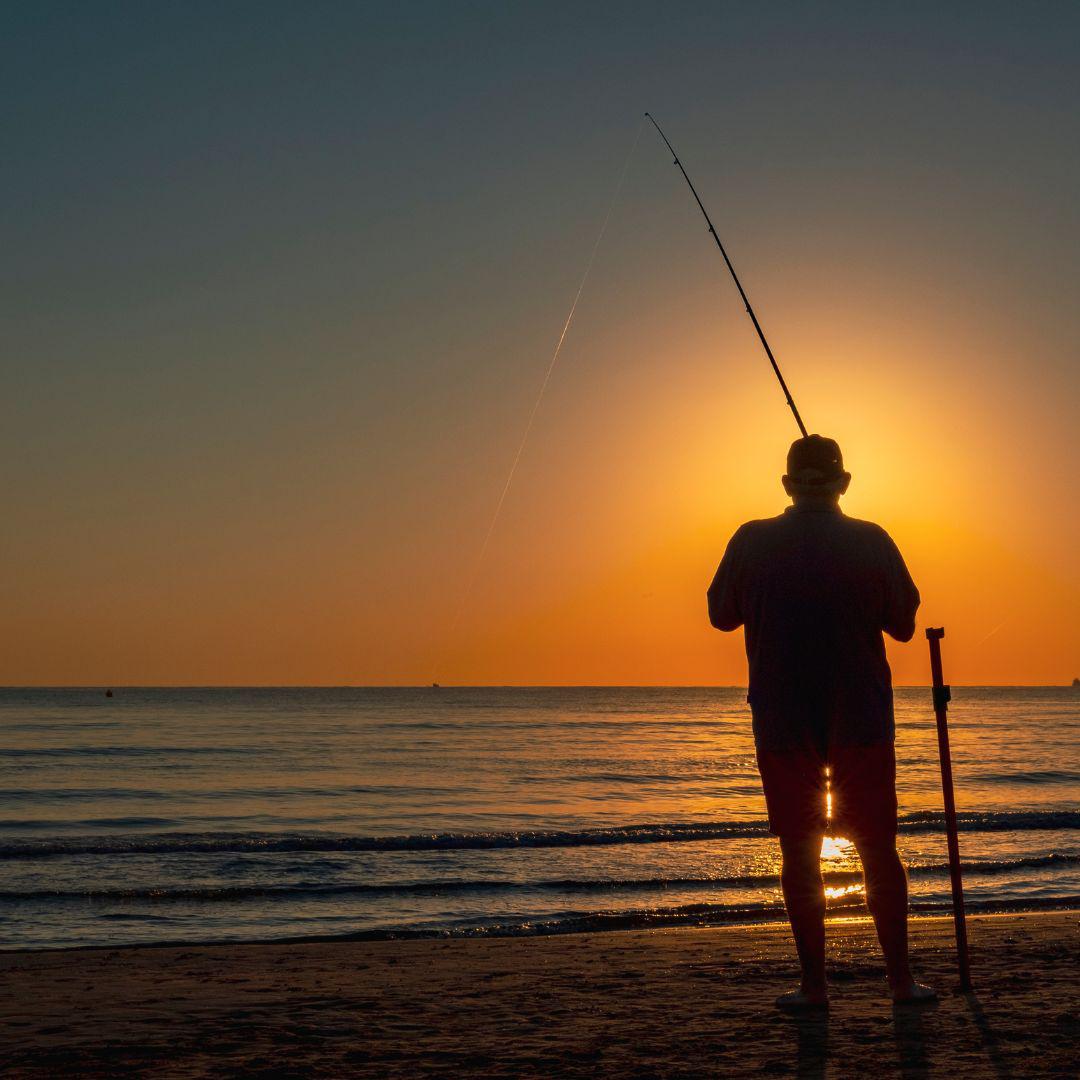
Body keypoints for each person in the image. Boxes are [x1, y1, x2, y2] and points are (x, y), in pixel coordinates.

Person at [707, 434, 935, 1009]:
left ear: (787, 485)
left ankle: (814, 988)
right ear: (845, 484)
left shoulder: (751, 539)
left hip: (783, 715)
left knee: (800, 849)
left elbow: (720, 615)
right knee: (877, 846)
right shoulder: (871, 540)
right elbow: (905, 624)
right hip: (859, 714)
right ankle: (900, 983)